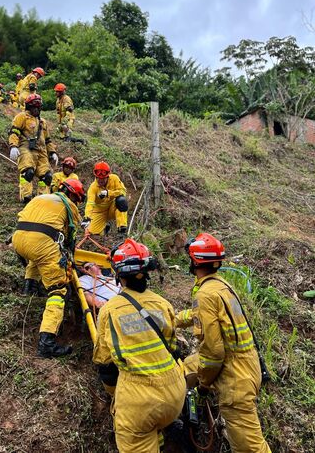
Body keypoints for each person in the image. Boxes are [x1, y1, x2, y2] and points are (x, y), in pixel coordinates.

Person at [180, 233, 271, 453]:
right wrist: (173, 319)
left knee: (250, 448)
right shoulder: (221, 286)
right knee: (182, 369)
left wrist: (203, 385)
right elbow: (200, 315)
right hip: (247, 365)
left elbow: (213, 353)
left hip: (234, 380)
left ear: (194, 261)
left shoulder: (205, 295)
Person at [93, 238, 186, 453]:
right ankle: (161, 439)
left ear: (118, 275)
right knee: (154, 427)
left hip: (139, 402)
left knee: (139, 433)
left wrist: (115, 394)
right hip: (175, 395)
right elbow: (173, 349)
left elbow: (104, 364)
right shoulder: (163, 304)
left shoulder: (110, 310)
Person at [12, 179, 85, 358]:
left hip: (18, 239)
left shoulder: (40, 197)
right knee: (59, 291)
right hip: (41, 243)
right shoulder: (70, 207)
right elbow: (70, 240)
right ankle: (47, 343)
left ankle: (30, 287)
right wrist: (71, 260)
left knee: (38, 255)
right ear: (73, 196)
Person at [8, 93, 58, 203]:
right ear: (29, 107)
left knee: (47, 176)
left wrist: (52, 152)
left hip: (41, 152)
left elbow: (48, 140)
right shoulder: (22, 117)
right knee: (28, 172)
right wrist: (13, 146)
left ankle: (42, 199)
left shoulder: (42, 122)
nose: (36, 110)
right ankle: (26, 198)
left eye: (38, 107)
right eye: (34, 107)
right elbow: (14, 132)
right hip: (26, 149)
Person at [81, 162, 128, 236]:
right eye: (98, 178)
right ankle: (105, 228)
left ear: (108, 176)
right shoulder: (93, 188)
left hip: (112, 207)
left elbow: (123, 191)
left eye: (103, 179)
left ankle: (121, 230)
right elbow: (90, 203)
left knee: (121, 201)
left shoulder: (114, 179)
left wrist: (109, 193)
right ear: (95, 177)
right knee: (92, 234)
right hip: (99, 212)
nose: (100, 181)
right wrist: (87, 217)